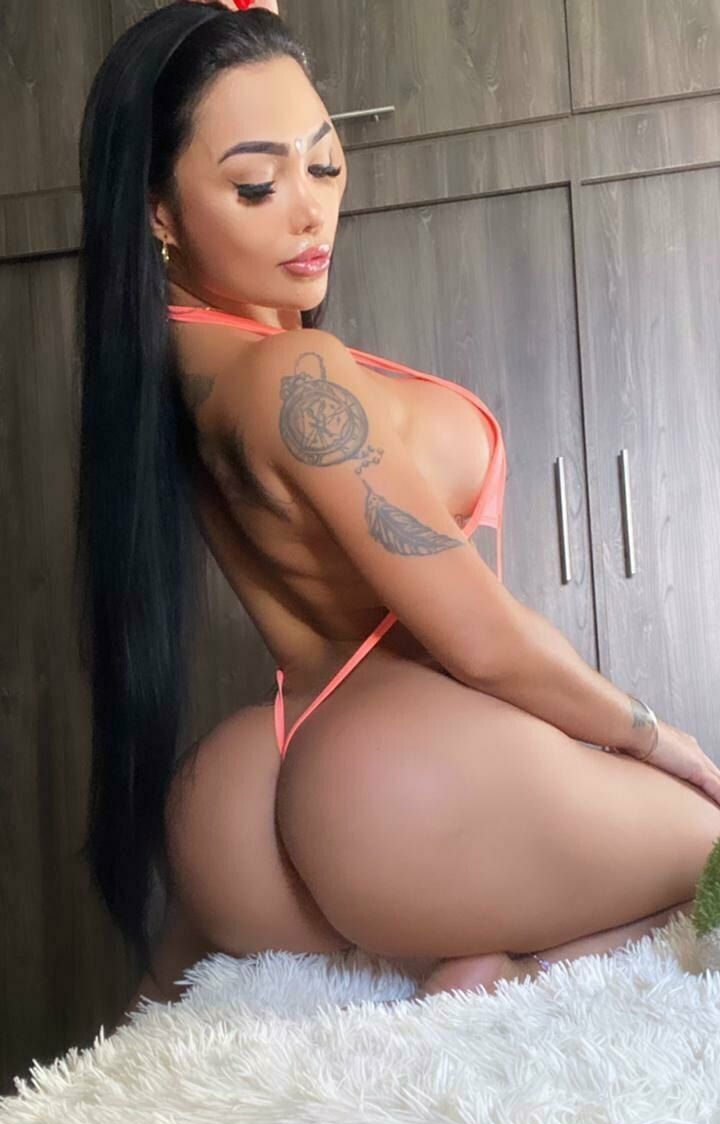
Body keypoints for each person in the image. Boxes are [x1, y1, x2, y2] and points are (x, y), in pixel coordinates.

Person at [73, 3, 720, 1028]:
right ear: (159, 211)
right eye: (257, 185)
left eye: (325, 164)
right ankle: (509, 973)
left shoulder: (174, 371)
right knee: (712, 850)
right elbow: (483, 640)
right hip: (390, 774)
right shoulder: (298, 374)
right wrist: (657, 739)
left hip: (242, 793)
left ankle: (490, 952)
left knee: (167, 1021)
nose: (309, 211)